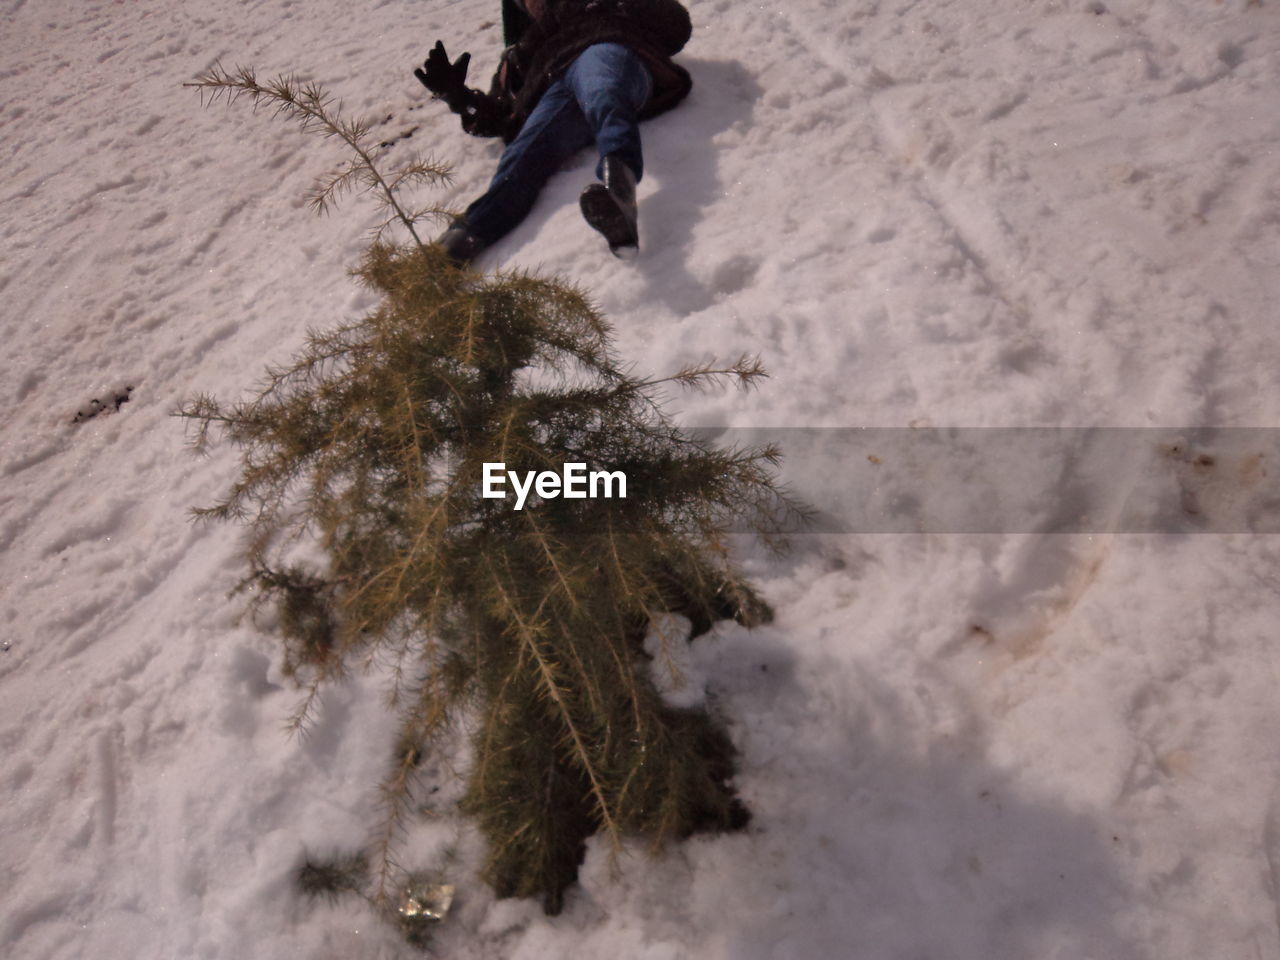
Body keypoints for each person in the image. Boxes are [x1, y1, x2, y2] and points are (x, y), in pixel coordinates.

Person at [414, 0, 694, 263]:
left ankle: (619, 188)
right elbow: (499, 116)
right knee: (524, 154)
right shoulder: (521, 55)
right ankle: (458, 244)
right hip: (556, 92)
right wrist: (460, 100)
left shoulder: (597, 7)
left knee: (602, 91)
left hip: (607, 52)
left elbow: (677, 27)